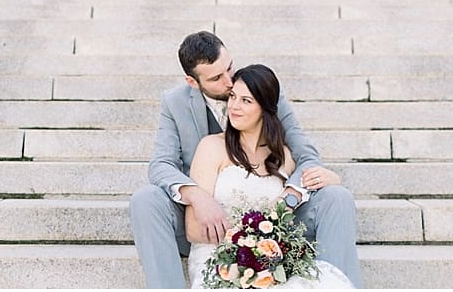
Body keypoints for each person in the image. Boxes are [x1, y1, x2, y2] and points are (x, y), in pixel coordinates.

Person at [129, 31, 361, 288]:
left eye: (229, 67)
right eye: (217, 78)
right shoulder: (175, 103)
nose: (230, 82)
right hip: (203, 223)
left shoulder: (261, 90)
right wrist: (197, 195)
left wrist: (290, 197)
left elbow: (307, 156)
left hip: (275, 221)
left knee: (337, 198)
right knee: (146, 199)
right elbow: (161, 165)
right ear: (192, 82)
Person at [185, 64, 352, 288]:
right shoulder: (211, 147)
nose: (234, 106)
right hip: (219, 260)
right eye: (233, 96)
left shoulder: (284, 156)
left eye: (246, 101)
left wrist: (333, 179)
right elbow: (193, 229)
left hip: (270, 262)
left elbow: (309, 182)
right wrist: (247, 243)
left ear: (264, 108)